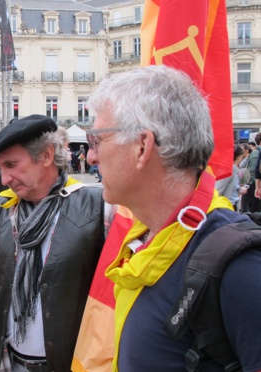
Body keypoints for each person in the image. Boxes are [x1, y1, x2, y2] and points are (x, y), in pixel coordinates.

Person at [86, 65, 261, 370]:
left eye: (96, 140)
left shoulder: (238, 269)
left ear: (142, 147)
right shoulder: (143, 240)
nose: (90, 157)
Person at [0, 114, 108, 371]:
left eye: (11, 164)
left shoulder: (97, 207)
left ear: (46, 155)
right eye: (0, 169)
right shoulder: (2, 207)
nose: (5, 178)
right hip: (10, 362)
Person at [215, 145, 246, 211]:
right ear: (238, 156)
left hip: (230, 204)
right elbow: (218, 189)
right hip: (227, 206)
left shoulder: (233, 169)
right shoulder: (228, 169)